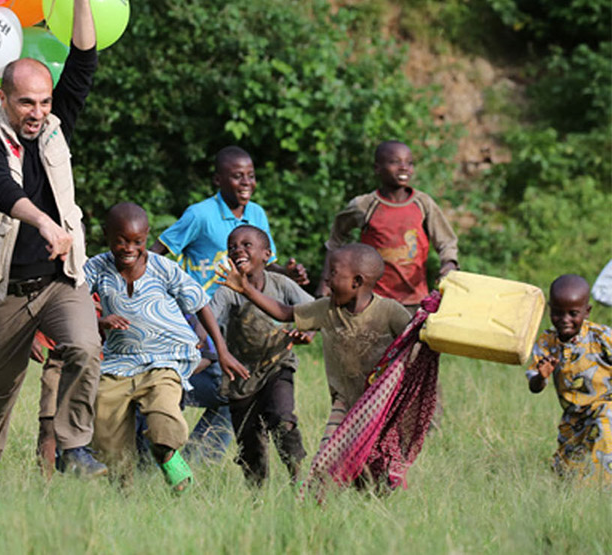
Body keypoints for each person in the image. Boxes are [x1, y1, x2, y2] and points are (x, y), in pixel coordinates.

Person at [0, 0, 105, 492]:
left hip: (59, 279)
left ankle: (73, 447)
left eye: (43, 102)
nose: (37, 112)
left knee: (85, 349)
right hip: (3, 289)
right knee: (0, 390)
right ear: (3, 98)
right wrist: (44, 224)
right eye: (26, 103)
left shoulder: (56, 123)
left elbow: (83, 62)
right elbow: (2, 190)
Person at [150, 145, 308, 461]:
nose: (246, 182)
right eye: (237, 176)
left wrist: (287, 273)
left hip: (239, 318)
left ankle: (196, 457)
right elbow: (158, 252)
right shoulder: (200, 214)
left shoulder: (256, 214)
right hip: (202, 315)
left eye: (250, 175)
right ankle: (155, 427)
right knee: (203, 381)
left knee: (236, 387)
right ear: (218, 180)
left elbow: (265, 262)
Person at [85, 203, 248, 493]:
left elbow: (201, 303)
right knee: (106, 431)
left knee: (164, 421)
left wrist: (221, 351)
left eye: (137, 241)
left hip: (166, 358)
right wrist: (100, 321)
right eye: (121, 241)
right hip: (119, 362)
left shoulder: (163, 268)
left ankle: (168, 458)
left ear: (147, 236)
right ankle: (124, 492)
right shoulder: (97, 267)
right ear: (106, 234)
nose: (129, 249)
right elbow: (74, 302)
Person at [221, 243, 410, 447]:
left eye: (333, 273)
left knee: (379, 454)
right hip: (344, 401)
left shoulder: (390, 311)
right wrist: (247, 290)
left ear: (356, 281)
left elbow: (415, 340)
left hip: (383, 401)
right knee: (328, 456)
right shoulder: (326, 309)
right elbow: (284, 312)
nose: (326, 280)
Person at [210, 225, 313, 486]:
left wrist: (307, 332)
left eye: (247, 245)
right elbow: (208, 319)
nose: (238, 250)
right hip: (241, 375)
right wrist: (215, 349)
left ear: (267, 254)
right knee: (250, 442)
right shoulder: (227, 290)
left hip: (277, 365)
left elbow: (314, 311)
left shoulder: (281, 284)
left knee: (282, 418)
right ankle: (257, 497)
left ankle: (298, 480)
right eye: (232, 247)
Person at [320, 140, 458, 313]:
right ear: (377, 168)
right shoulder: (365, 205)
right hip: (373, 301)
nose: (404, 168)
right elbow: (335, 240)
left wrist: (449, 263)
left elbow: (446, 241)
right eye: (394, 162)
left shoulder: (423, 204)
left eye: (409, 163)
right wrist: (326, 281)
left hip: (414, 301)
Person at [526, 275, 611, 486]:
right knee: (567, 474)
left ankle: (600, 491)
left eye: (573, 313)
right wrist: (541, 376)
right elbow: (534, 386)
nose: (565, 319)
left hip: (605, 407)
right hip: (574, 417)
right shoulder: (547, 343)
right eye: (557, 312)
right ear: (549, 310)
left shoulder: (600, 336)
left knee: (605, 431)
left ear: (586, 311)